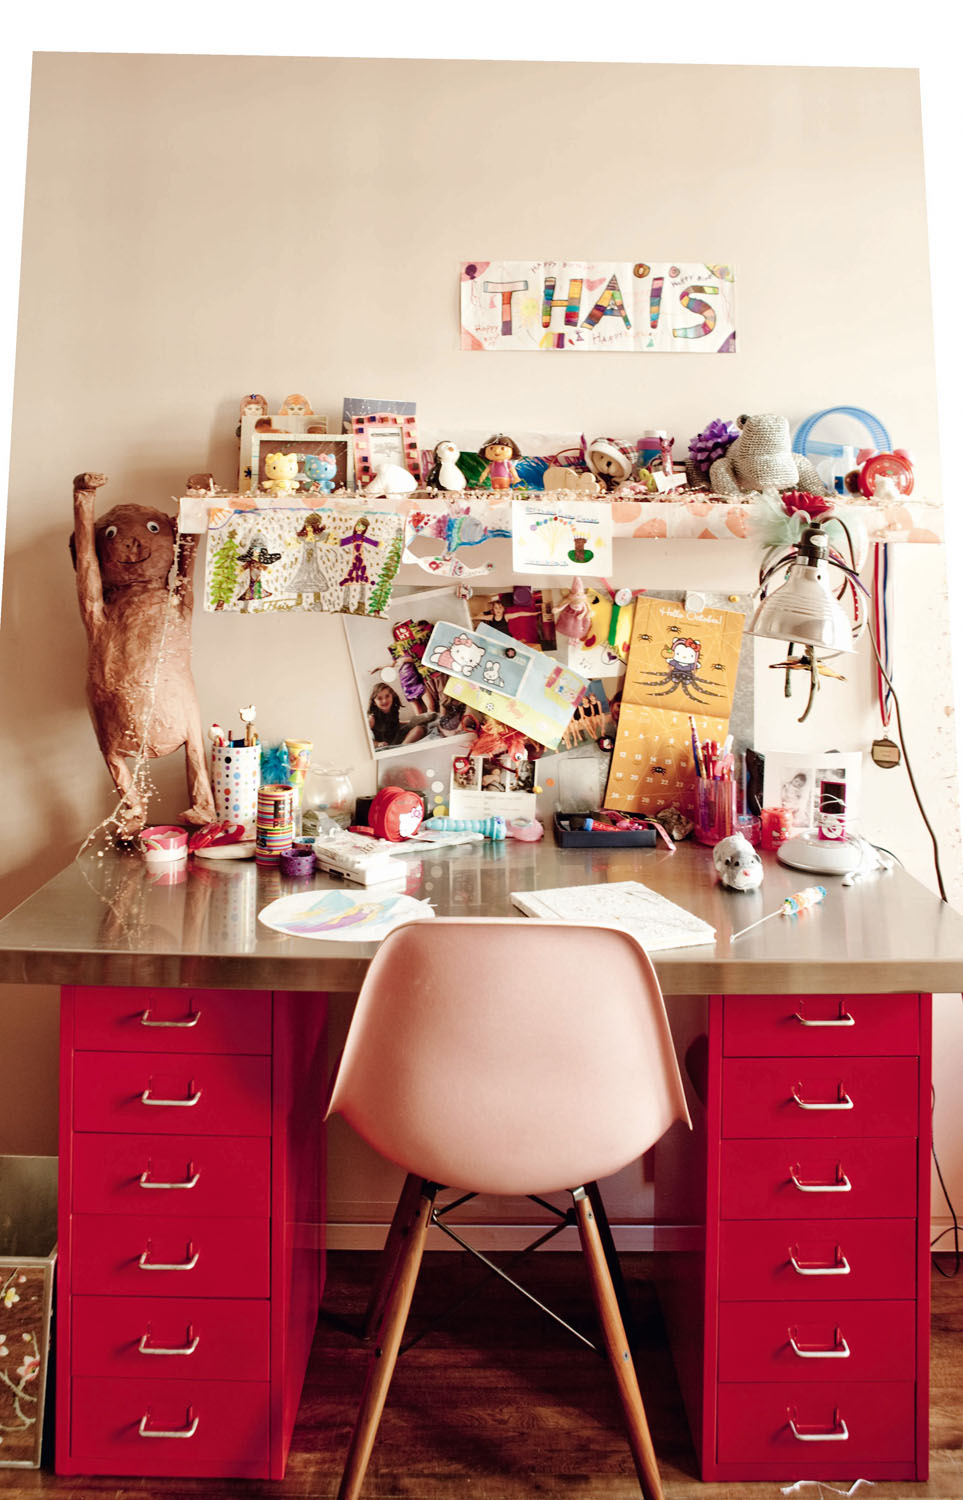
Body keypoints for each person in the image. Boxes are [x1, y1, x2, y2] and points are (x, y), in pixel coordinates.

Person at [368, 683, 426, 750]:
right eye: (379, 698)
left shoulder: (394, 710)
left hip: (398, 737)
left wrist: (411, 722)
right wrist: (377, 743)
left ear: (392, 696)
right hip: (385, 744)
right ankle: (402, 749)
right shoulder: (372, 718)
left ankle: (403, 746)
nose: (384, 700)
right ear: (374, 702)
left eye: (387, 696)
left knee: (419, 729)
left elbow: (395, 723)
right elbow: (364, 737)